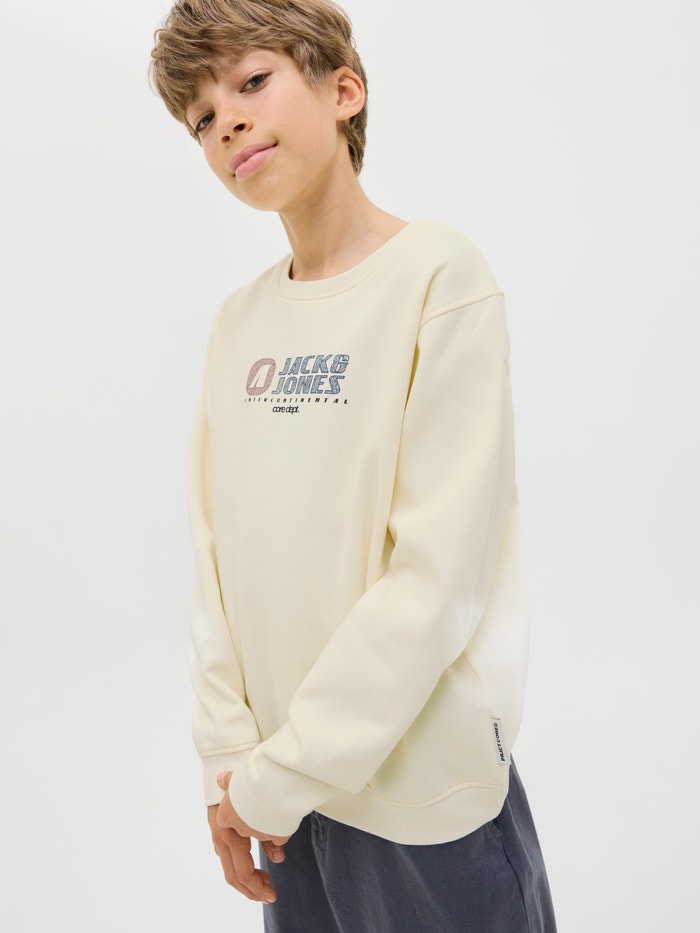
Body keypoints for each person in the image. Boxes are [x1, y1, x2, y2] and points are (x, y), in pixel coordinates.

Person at [150, 1, 557, 930]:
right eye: (202, 118)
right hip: (283, 808)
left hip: (422, 804)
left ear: (344, 91)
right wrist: (230, 763)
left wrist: (275, 775)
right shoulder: (238, 324)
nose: (228, 122)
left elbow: (436, 580)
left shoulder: (440, 278)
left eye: (252, 82)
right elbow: (215, 560)